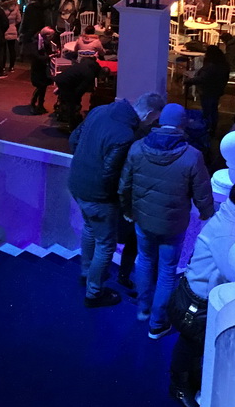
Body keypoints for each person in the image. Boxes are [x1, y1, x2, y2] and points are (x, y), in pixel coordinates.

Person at [168, 178, 235, 407]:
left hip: (205, 294)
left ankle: (192, 380)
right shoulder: (230, 232)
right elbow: (234, 271)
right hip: (199, 299)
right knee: (191, 344)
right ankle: (179, 387)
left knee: (197, 346)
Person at [120, 103, 214, 339]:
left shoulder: (137, 148)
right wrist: (206, 213)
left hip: (142, 219)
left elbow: (125, 184)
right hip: (173, 224)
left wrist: (127, 210)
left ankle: (142, 309)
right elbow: (202, 192)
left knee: (144, 261)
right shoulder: (192, 156)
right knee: (167, 271)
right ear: (182, 124)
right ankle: (157, 323)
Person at [68, 92, 165, 308]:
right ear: (149, 113)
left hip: (76, 184)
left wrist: (86, 165)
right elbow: (111, 176)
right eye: (154, 119)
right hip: (98, 196)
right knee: (106, 244)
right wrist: (124, 205)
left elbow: (74, 139)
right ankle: (94, 293)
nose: (153, 123)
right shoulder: (125, 135)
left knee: (90, 229)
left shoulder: (99, 110)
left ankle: (86, 272)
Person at [184, 45, 230, 137]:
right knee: (214, 110)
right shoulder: (224, 65)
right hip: (217, 91)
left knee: (207, 111)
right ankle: (213, 128)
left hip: (207, 91)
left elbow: (202, 79)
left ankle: (206, 129)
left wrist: (188, 81)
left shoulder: (210, 67)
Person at [30, 27, 56, 114]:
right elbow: (36, 57)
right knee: (41, 86)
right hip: (38, 67)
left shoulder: (44, 41)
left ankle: (40, 104)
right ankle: (34, 103)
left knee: (43, 86)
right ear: (47, 35)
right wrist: (49, 57)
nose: (52, 37)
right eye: (51, 35)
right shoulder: (35, 42)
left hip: (43, 66)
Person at [2, 0, 21, 72]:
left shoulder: (1, 7)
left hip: (3, 30)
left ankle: (2, 66)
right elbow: (19, 19)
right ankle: (11, 66)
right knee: (12, 49)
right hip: (12, 29)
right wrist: (13, 24)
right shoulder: (15, 7)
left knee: (3, 50)